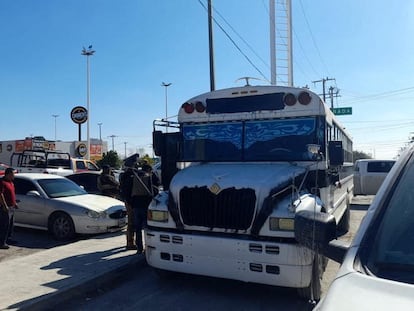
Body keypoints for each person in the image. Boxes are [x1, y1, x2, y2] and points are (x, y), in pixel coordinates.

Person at [130, 164, 160, 254]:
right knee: (147, 228)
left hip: (136, 205)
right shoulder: (149, 177)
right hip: (146, 205)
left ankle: (139, 248)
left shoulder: (134, 177)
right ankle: (148, 247)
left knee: (138, 228)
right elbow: (156, 187)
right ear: (149, 170)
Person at [0, 168, 18, 249]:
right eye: (13, 174)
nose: (14, 175)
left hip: (12, 207)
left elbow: (12, 194)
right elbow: (1, 195)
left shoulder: (11, 183)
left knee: (11, 225)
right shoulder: (2, 182)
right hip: (5, 207)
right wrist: (4, 206)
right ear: (8, 174)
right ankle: (1, 243)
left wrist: (15, 203)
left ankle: (8, 239)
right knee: (4, 225)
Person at [119, 165, 136, 250]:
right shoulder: (132, 177)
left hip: (127, 201)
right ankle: (130, 243)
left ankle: (130, 242)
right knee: (132, 223)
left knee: (130, 222)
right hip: (132, 202)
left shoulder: (124, 177)